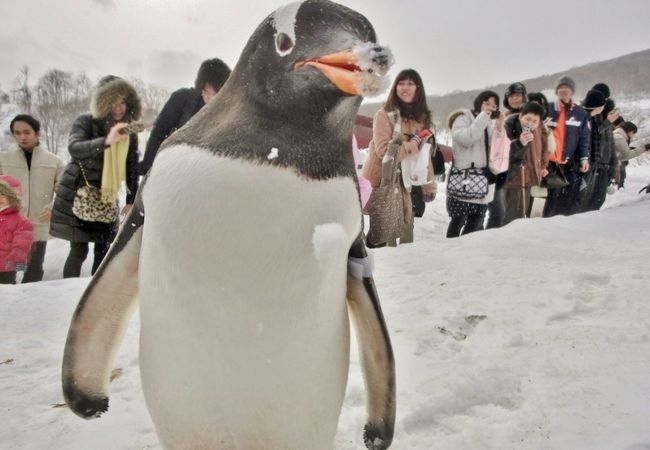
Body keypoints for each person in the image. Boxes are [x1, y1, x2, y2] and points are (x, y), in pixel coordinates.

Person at [50, 76, 141, 277]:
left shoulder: (129, 131)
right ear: (102, 102)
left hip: (107, 196)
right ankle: (66, 289)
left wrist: (130, 199)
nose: (118, 108)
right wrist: (106, 141)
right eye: (112, 102)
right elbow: (75, 148)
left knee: (104, 247)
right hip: (79, 193)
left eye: (122, 102)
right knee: (79, 249)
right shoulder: (85, 121)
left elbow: (131, 165)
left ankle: (90, 288)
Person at [361, 69, 437, 247]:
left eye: (411, 83)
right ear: (395, 87)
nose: (405, 87)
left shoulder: (422, 119)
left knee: (404, 233)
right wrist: (411, 145)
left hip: (407, 183)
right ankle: (370, 270)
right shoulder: (384, 114)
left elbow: (425, 155)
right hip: (384, 182)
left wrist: (429, 183)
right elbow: (383, 151)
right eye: (401, 83)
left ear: (418, 89)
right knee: (381, 235)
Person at [138, 58, 232, 175]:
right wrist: (148, 167)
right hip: (176, 168)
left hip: (211, 173)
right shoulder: (182, 100)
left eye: (217, 93)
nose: (211, 98)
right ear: (200, 87)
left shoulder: (230, 110)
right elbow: (158, 133)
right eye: (207, 91)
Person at [0, 114, 65, 282]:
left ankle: (29, 299)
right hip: (8, 228)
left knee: (34, 267)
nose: (22, 137)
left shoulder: (54, 162)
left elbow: (65, 191)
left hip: (38, 224)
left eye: (27, 132)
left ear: (38, 133)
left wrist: (53, 208)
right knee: (8, 269)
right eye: (17, 133)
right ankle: (9, 299)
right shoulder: (3, 160)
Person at [446, 90, 506, 238]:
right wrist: (484, 117)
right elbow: (466, 139)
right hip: (464, 178)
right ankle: (449, 250)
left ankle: (465, 252)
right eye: (487, 103)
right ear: (479, 102)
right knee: (459, 219)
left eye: (494, 105)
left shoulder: (488, 124)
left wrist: (499, 128)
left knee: (477, 219)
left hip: (482, 179)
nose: (490, 107)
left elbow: (497, 148)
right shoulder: (463, 118)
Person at [543, 76, 590, 217]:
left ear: (572, 92)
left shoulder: (580, 113)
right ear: (556, 91)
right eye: (561, 88)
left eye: (567, 88)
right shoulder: (548, 109)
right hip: (548, 161)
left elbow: (584, 138)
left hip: (567, 162)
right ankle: (543, 223)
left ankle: (558, 224)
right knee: (548, 196)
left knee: (565, 197)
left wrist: (584, 158)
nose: (564, 91)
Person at [486, 82, 527, 229]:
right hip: (508, 171)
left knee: (521, 214)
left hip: (527, 173)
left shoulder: (531, 116)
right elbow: (502, 147)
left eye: (518, 96)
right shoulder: (507, 119)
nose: (515, 99)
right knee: (504, 215)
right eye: (511, 97)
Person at [503, 102, 548, 223]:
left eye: (535, 121)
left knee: (522, 213)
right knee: (509, 216)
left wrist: (542, 166)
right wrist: (519, 143)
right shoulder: (509, 126)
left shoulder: (537, 130)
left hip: (529, 176)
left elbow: (543, 147)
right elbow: (504, 153)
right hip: (512, 178)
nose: (530, 123)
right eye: (527, 119)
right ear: (520, 116)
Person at [581, 90, 616, 212]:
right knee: (584, 199)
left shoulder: (600, 119)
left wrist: (612, 165)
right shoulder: (588, 117)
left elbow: (610, 147)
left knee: (596, 199)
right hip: (588, 164)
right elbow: (593, 136)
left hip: (600, 165)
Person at [0, 175, 34, 284]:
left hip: (6, 269)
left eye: (3, 195)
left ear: (12, 197)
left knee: (5, 295)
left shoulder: (21, 221)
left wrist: (18, 267)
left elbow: (22, 248)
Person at [613, 121, 650, 188]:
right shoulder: (619, 137)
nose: (633, 135)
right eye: (633, 133)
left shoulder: (617, 135)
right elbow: (627, 155)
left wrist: (630, 149)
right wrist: (644, 148)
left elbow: (619, 156)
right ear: (630, 131)